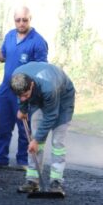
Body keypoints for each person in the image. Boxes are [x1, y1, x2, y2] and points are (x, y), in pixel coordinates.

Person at [0, 6, 48, 170]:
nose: (21, 23)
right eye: (18, 20)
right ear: (14, 20)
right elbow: (2, 57)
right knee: (3, 126)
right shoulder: (10, 36)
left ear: (30, 19)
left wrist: (31, 92)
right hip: (6, 89)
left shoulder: (38, 42)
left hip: (24, 92)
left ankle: (23, 161)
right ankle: (0, 159)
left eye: (24, 20)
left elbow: (42, 69)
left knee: (24, 127)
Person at [10, 62, 75, 195]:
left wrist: (37, 140)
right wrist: (22, 108)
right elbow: (21, 97)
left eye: (26, 95)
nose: (23, 98)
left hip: (63, 98)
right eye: (20, 96)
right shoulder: (17, 77)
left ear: (32, 85)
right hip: (39, 97)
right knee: (35, 140)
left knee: (58, 141)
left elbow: (52, 115)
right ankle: (32, 180)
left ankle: (56, 181)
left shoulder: (49, 87)